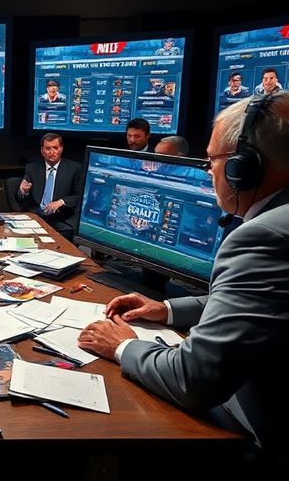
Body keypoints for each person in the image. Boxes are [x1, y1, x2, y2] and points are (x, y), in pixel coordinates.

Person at [77, 93, 289, 466]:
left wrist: (123, 346)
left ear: (243, 168)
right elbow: (262, 302)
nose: (208, 172)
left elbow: (193, 380)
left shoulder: (263, 237)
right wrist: (166, 309)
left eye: (212, 161)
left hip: (259, 433)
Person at [15, 133, 84, 241]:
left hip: (61, 217)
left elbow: (79, 195)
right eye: (48, 148)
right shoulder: (32, 168)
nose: (52, 152)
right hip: (37, 215)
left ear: (61, 149)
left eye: (55, 148)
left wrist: (60, 202)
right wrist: (22, 191)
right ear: (42, 151)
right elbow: (20, 199)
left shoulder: (74, 168)